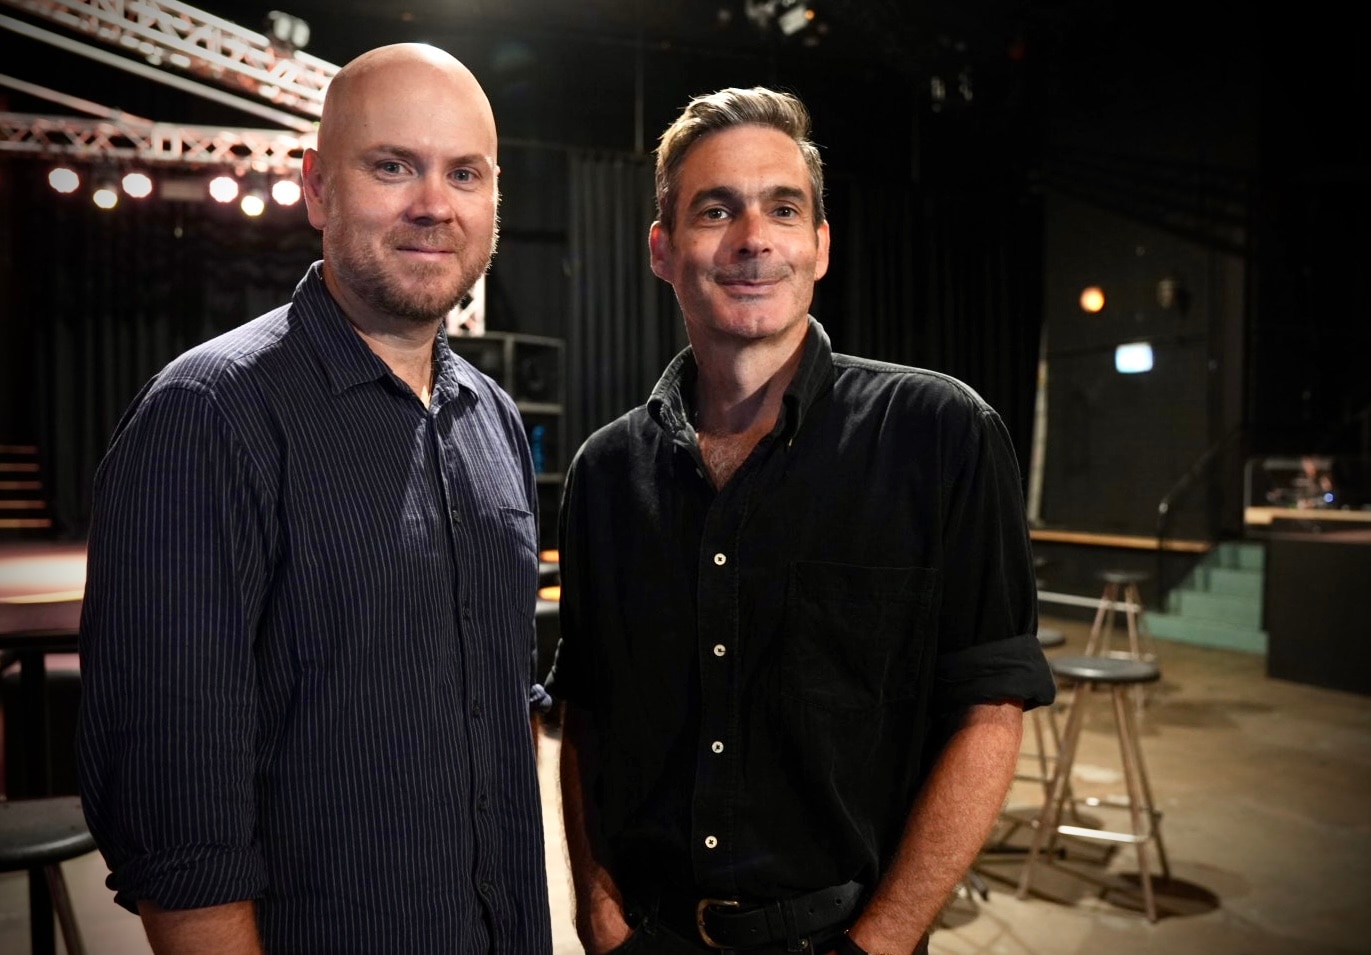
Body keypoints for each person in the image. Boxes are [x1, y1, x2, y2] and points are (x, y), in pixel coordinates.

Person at [548, 87, 1056, 955]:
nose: (753, 239)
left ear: (819, 246)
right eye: (716, 210)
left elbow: (989, 709)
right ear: (662, 250)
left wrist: (881, 943)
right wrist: (596, 915)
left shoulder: (939, 434)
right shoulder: (604, 472)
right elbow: (585, 713)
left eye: (783, 209)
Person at [76, 43, 553, 954]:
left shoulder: (490, 416)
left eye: (465, 173)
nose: (433, 204)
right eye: (391, 166)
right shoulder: (208, 415)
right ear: (317, 189)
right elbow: (180, 828)